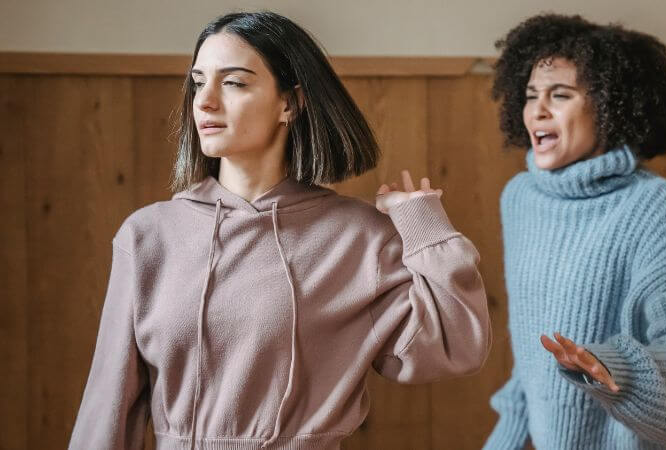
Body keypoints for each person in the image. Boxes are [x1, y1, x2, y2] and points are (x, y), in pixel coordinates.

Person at [69, 11, 490, 450]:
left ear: (289, 103)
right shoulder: (148, 236)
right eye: (198, 82)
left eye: (233, 82)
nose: (205, 101)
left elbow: (456, 348)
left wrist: (425, 229)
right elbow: (109, 403)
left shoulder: (359, 237)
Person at [483, 14, 666, 449]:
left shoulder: (650, 205)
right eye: (530, 95)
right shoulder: (519, 198)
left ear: (612, 107)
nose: (536, 111)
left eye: (560, 95)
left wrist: (616, 367)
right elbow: (531, 354)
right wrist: (506, 437)